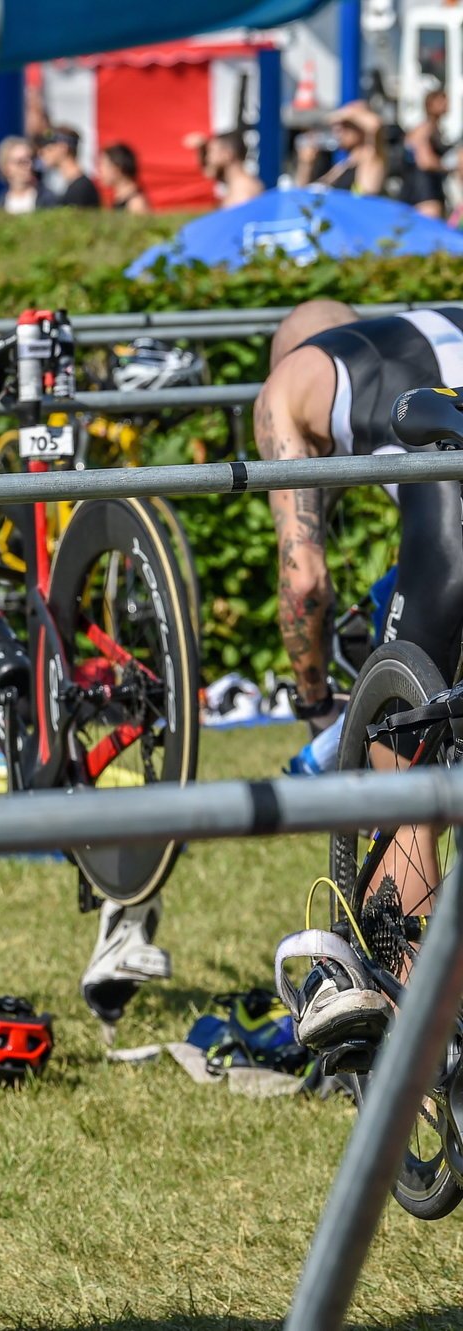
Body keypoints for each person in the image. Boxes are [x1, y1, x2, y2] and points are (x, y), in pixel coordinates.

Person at [252, 300, 463, 1045]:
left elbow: (303, 581)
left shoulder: (285, 388)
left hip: (453, 521)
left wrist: (316, 702)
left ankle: (420, 1039)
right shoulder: (426, 327)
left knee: (400, 772)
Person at [294, 100, 388, 195]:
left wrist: (345, 113)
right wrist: (306, 164)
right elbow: (303, 194)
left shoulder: (371, 159)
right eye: (337, 126)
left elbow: (375, 124)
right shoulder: (343, 165)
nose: (338, 130)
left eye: (346, 125)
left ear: (362, 128)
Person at [402, 86, 450, 219]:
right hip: (423, 191)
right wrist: (448, 167)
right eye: (441, 101)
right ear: (430, 105)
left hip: (429, 188)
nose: (446, 105)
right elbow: (425, 161)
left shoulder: (435, 129)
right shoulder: (424, 129)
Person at [188, 130, 265, 206]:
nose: (207, 158)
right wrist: (201, 148)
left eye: (211, 152)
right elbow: (207, 172)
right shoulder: (239, 187)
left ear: (227, 154)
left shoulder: (242, 193)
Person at [37, 126, 100, 208]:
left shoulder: (80, 189)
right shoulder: (75, 185)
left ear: (63, 147)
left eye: (48, 148)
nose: (41, 153)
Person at [96, 143, 149, 213]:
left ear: (117, 168)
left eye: (103, 165)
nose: (100, 171)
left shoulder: (135, 205)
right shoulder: (118, 200)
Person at [0, 135, 39, 214]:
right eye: (21, 162)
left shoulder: (47, 200)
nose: (29, 165)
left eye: (31, 159)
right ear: (6, 168)